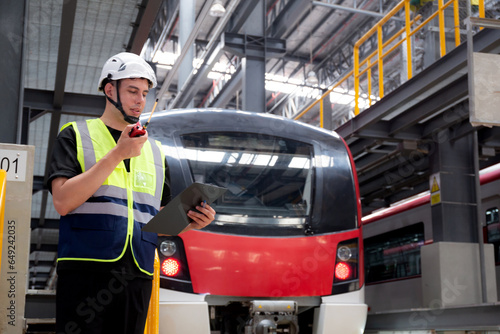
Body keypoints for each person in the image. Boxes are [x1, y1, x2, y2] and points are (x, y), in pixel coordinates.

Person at [47, 52, 215, 334]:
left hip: (136, 273)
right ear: (110, 90)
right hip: (85, 268)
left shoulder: (156, 153)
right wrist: (117, 154)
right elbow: (63, 202)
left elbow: (155, 221)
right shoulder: (75, 135)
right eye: (133, 91)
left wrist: (191, 220)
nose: (140, 101)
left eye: (145, 93)